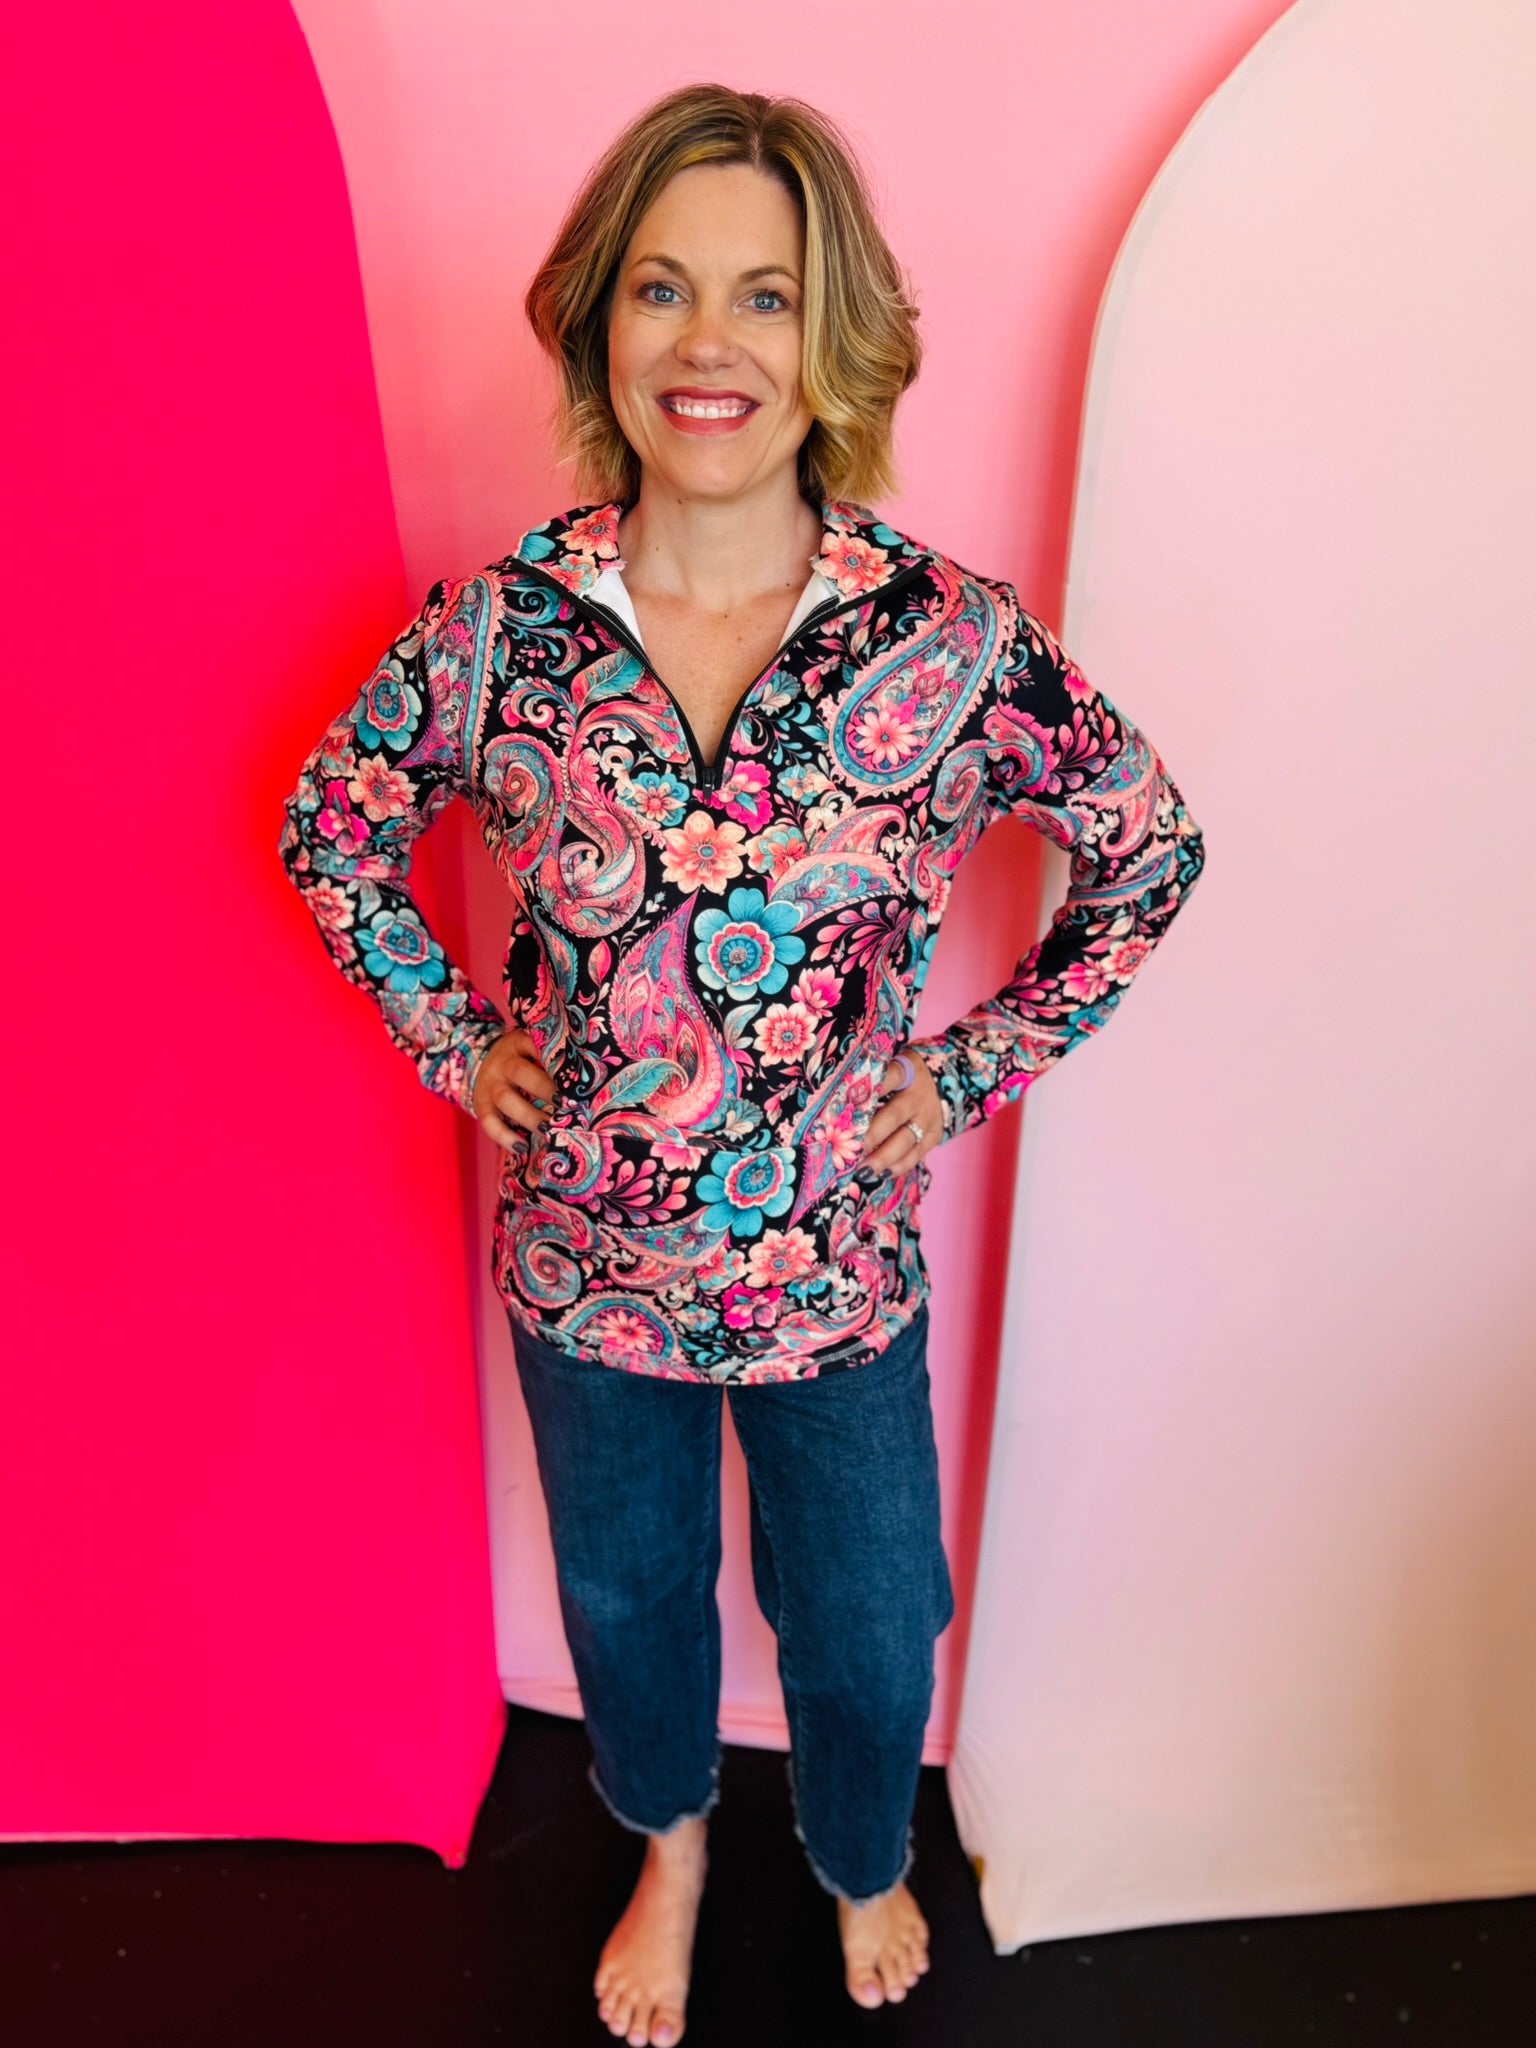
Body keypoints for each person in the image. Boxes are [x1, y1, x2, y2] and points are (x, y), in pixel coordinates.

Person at [278, 82, 1207, 2048]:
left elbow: (1148, 848)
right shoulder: (500, 634)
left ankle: (860, 1851)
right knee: (628, 1606)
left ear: (831, 336)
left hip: (833, 1280)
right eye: (664, 288)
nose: (710, 342)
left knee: (865, 1631)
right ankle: (672, 1842)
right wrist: (454, 1035)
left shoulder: (946, 644)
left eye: (766, 296)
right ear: (600, 322)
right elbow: (333, 827)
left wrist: (972, 1066)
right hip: (584, 1273)